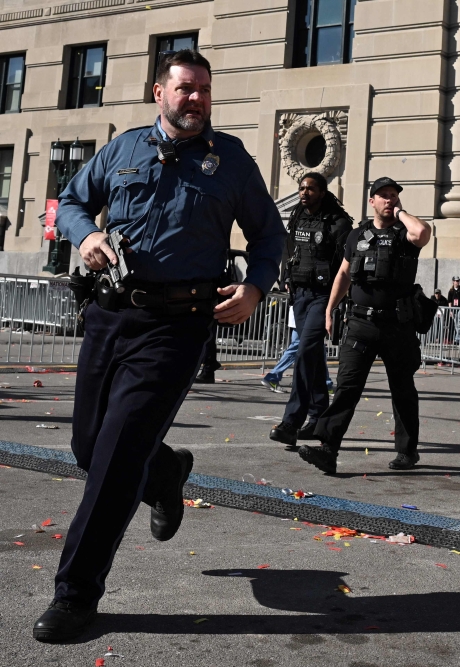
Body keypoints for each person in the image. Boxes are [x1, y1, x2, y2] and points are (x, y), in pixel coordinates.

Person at [35, 49, 284, 643]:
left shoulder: (230, 162)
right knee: (88, 448)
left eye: (203, 89)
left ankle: (75, 594)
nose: (195, 98)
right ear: (158, 93)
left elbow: (269, 233)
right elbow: (69, 202)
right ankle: (167, 470)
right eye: (184, 88)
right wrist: (87, 232)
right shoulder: (122, 149)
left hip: (177, 326)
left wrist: (255, 287)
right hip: (110, 315)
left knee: (117, 459)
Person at [297, 176, 432, 474]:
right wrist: (330, 309)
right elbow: (344, 274)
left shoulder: (404, 234)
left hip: (397, 325)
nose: (389, 199)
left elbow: (422, 231)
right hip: (359, 322)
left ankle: (407, 451)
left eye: (393, 195)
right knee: (347, 387)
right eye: (383, 195)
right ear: (371, 200)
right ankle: (328, 451)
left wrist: (399, 213)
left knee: (402, 389)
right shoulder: (356, 235)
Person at [268, 173, 352, 450]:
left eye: (311, 189)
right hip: (300, 294)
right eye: (302, 188)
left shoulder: (339, 222)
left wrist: (336, 302)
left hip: (323, 297)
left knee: (304, 352)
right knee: (311, 353)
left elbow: (346, 264)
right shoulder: (297, 215)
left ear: (323, 192)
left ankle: (290, 422)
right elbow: (289, 249)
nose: (304, 193)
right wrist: (287, 278)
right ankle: (317, 417)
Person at [261, 306, 332, 392]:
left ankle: (323, 383)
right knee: (308, 347)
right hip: (305, 316)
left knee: (303, 348)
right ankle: (325, 384)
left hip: (301, 315)